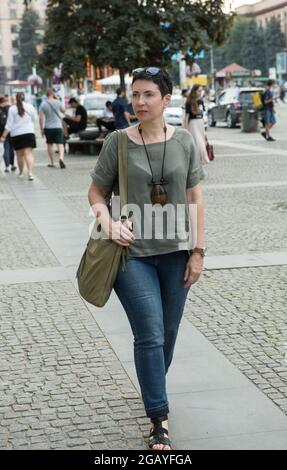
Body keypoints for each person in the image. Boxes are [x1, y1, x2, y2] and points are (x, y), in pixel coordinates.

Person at [88, 67, 205, 450]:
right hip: (131, 255)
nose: (139, 102)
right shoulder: (117, 142)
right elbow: (95, 194)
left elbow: (195, 199)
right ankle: (159, 419)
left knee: (167, 335)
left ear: (166, 99)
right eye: (135, 94)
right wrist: (108, 224)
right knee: (150, 333)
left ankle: (153, 382)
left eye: (148, 94)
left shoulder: (185, 141)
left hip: (176, 254)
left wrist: (198, 252)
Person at [0, 92, 37, 181]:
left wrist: (3, 136)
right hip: (29, 133)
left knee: (19, 155)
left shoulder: (12, 109)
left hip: (17, 134)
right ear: (25, 98)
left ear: (16, 99)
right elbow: (34, 119)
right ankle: (30, 173)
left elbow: (9, 124)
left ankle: (21, 173)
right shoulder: (30, 107)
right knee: (28, 154)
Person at [39, 89, 66, 169]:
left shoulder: (43, 104)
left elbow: (41, 118)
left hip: (48, 127)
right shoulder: (57, 102)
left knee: (50, 144)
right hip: (58, 126)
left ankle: (52, 162)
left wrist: (41, 129)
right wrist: (58, 100)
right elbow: (63, 111)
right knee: (60, 144)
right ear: (53, 94)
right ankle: (61, 158)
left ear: (46, 95)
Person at [184, 84, 210, 165]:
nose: (200, 92)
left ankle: (199, 162)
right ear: (194, 91)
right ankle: (198, 161)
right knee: (199, 144)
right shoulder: (189, 102)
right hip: (193, 124)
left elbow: (203, 114)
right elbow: (186, 118)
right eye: (199, 91)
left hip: (200, 124)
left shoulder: (200, 101)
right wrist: (186, 129)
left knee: (202, 142)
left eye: (201, 91)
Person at [0, 95, 16, 173]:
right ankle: (12, 165)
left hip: (2, 132)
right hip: (11, 131)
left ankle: (7, 166)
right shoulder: (10, 108)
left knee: (6, 148)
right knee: (11, 148)